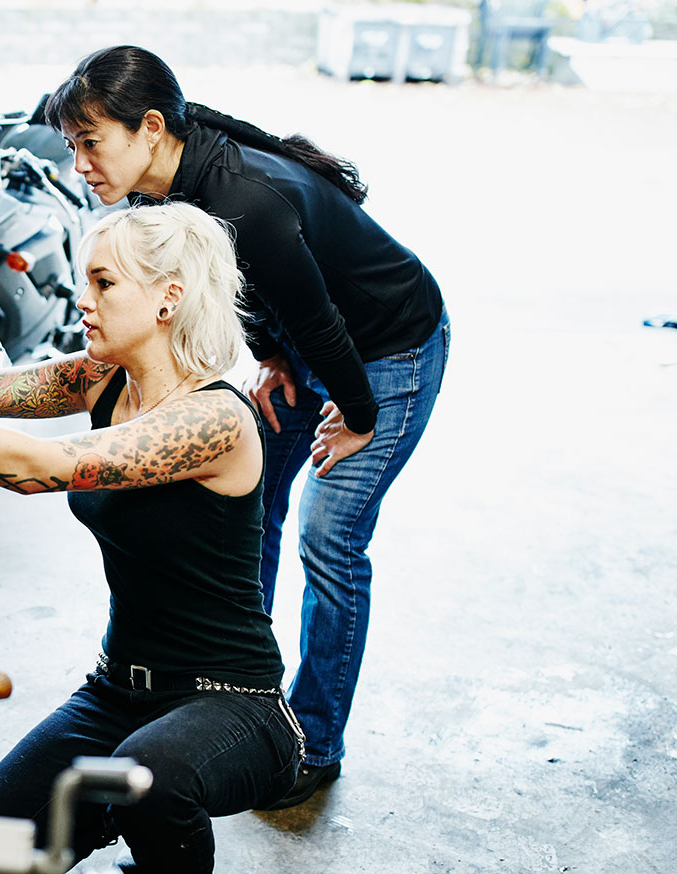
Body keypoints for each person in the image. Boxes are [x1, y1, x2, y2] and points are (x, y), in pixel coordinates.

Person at [44, 46, 449, 808]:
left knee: (329, 542)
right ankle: (221, 696)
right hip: (310, 345)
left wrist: (357, 416)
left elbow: (323, 318)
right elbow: (224, 291)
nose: (79, 164)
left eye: (89, 142)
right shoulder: (158, 202)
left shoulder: (243, 198)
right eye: (72, 146)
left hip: (389, 351)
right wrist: (273, 356)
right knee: (249, 507)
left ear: (151, 128)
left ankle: (310, 742)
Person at [0, 202, 302, 874]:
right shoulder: (99, 378)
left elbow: (35, 467)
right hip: (119, 695)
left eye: (104, 283)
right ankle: (125, 818)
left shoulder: (214, 420)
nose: (82, 301)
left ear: (168, 296)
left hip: (233, 703)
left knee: (147, 776)